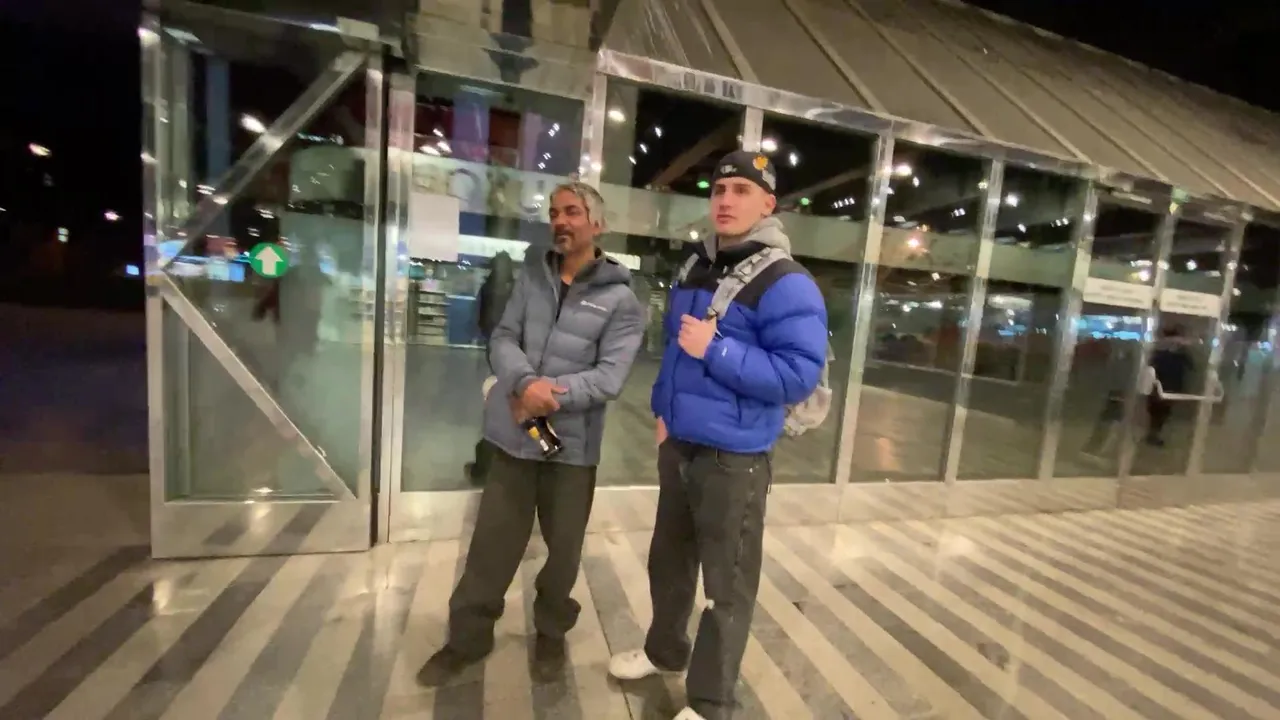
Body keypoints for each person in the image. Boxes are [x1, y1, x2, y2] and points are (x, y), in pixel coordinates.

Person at [608, 151, 829, 720]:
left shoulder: (787, 282)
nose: (726, 201)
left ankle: (710, 702)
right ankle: (664, 652)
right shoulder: (697, 265)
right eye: (719, 190)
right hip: (681, 444)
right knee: (668, 562)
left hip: (735, 458)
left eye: (741, 191)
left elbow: (797, 376)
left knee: (725, 585)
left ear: (767, 204)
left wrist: (718, 350)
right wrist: (663, 412)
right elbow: (673, 352)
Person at [417, 181, 645, 684]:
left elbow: (609, 378)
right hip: (514, 436)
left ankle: (551, 633)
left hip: (572, 450)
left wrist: (547, 394)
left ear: (597, 224)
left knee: (562, 554)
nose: (561, 221)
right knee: (491, 547)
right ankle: (467, 639)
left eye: (573, 212)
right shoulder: (531, 278)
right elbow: (502, 337)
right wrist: (524, 384)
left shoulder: (621, 301)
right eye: (555, 212)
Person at [467, 250, 517, 482]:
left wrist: (484, 332)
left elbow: (480, 313)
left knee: (496, 400)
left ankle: (485, 466)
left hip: (494, 345)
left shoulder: (488, 286)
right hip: (514, 349)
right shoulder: (516, 288)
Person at [1146, 325, 1193, 446]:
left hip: (1160, 387)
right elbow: (1191, 367)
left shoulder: (1159, 352)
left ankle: (1153, 434)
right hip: (1165, 387)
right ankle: (1154, 434)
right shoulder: (1178, 355)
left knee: (1158, 413)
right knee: (1160, 413)